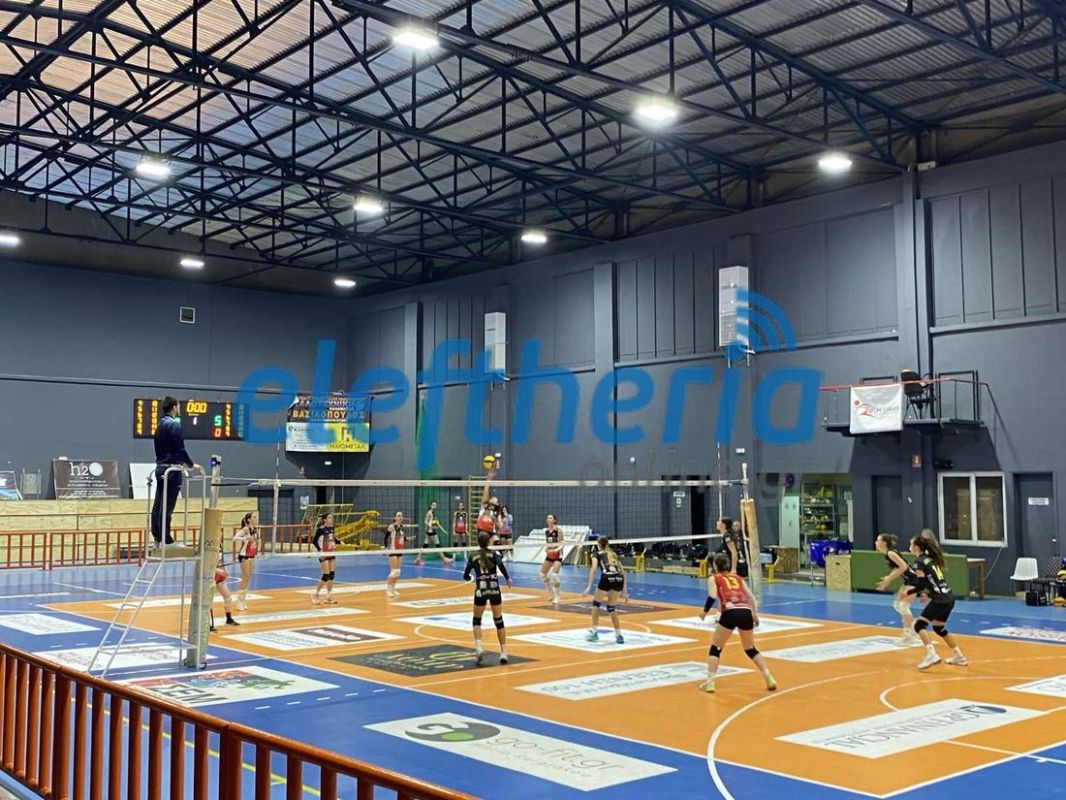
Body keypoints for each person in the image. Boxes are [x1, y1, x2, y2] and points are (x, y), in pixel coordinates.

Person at [697, 553, 776, 693]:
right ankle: (768, 677)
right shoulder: (738, 578)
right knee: (750, 648)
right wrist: (755, 615)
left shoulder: (714, 578)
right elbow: (751, 598)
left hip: (730, 611)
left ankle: (710, 683)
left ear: (715, 566)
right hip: (745, 611)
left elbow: (712, 596)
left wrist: (704, 611)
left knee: (716, 647)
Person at [909, 535, 967, 670]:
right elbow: (934, 582)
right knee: (938, 628)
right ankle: (959, 656)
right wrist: (927, 594)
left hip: (940, 600)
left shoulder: (919, 562)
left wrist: (911, 592)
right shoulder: (930, 560)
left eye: (911, 544)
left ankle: (931, 655)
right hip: (948, 598)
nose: (909, 547)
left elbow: (922, 583)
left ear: (916, 547)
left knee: (919, 625)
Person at [151, 397, 201, 545]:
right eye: (178, 406)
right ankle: (166, 539)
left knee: (158, 504)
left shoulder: (160, 424)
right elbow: (180, 449)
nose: (179, 409)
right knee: (167, 506)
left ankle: (157, 536)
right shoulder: (174, 424)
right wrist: (191, 464)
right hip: (171, 470)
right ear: (174, 407)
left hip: (160, 468)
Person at [464, 531, 513, 665]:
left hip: (481, 590)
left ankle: (479, 647)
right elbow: (501, 566)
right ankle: (503, 652)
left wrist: (469, 577)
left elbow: (466, 575)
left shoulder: (473, 556)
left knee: (476, 620)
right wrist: (507, 578)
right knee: (499, 620)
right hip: (494, 589)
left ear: (478, 542)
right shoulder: (494, 554)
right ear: (489, 541)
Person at [875, 533, 919, 646]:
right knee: (897, 604)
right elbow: (897, 569)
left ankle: (908, 635)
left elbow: (903, 566)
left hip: (914, 580)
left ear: (883, 543)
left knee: (904, 606)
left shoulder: (891, 553)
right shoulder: (888, 554)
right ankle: (914, 624)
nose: (876, 542)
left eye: (878, 540)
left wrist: (888, 579)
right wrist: (887, 580)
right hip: (908, 580)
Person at [582, 536, 627, 643]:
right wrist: (625, 591)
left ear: (598, 544)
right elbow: (623, 572)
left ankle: (594, 632)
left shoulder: (596, 553)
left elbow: (593, 569)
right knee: (611, 607)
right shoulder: (613, 554)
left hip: (607, 577)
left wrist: (588, 587)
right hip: (619, 579)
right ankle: (618, 635)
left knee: (596, 604)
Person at [232, 512, 260, 611]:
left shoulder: (255, 529)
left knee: (248, 578)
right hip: (244, 555)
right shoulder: (245, 529)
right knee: (245, 577)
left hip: (251, 555)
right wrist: (244, 538)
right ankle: (239, 601)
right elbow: (234, 538)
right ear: (249, 519)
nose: (256, 519)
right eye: (254, 517)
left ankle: (243, 600)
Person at [311, 513, 338, 605]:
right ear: (325, 520)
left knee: (331, 575)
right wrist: (320, 550)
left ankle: (328, 596)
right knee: (325, 575)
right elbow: (314, 541)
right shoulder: (320, 529)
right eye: (329, 517)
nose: (331, 519)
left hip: (331, 552)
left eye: (331, 517)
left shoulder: (332, 528)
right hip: (323, 553)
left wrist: (339, 542)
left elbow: (332, 538)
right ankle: (315, 594)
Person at [210, 544, 239, 630]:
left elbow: (221, 563)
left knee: (228, 598)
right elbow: (207, 565)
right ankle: (206, 624)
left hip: (219, 578)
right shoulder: (208, 549)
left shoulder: (219, 546)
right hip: (210, 578)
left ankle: (229, 619)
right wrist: (217, 570)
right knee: (208, 603)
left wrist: (224, 571)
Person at [416, 501, 453, 567]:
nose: (435, 506)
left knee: (425, 545)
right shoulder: (429, 513)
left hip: (431, 530)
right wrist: (430, 527)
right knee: (437, 544)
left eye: (435, 505)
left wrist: (443, 530)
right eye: (433, 505)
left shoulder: (433, 513)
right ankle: (444, 559)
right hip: (431, 531)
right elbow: (425, 521)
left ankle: (418, 559)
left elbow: (437, 523)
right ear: (430, 506)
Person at [540, 513, 564, 603]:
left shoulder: (558, 530)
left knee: (554, 576)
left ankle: (557, 597)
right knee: (542, 575)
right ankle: (551, 594)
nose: (548, 519)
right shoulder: (546, 531)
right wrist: (546, 548)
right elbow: (548, 543)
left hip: (558, 555)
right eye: (547, 518)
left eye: (550, 518)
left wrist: (556, 550)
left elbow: (562, 544)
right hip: (550, 555)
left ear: (554, 520)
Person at [385, 511, 406, 598]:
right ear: (395, 518)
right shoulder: (391, 526)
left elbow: (401, 539)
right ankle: (388, 590)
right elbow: (385, 538)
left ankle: (393, 589)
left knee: (398, 572)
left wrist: (407, 539)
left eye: (401, 516)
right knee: (394, 571)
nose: (400, 517)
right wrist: (386, 548)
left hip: (400, 550)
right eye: (398, 515)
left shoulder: (402, 527)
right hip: (393, 550)